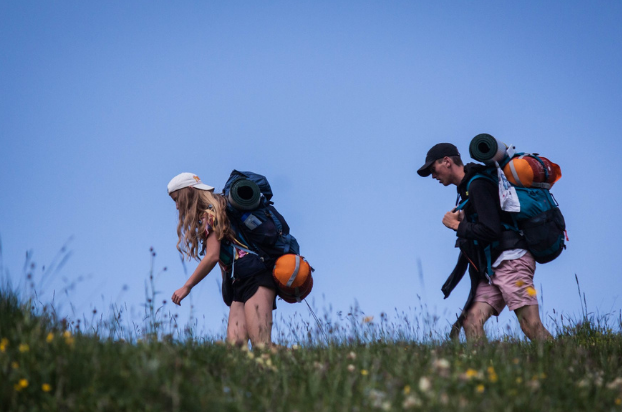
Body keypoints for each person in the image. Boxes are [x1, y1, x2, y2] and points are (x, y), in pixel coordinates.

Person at [418, 143, 552, 342]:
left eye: (433, 169)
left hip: (512, 261)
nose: (433, 175)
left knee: (530, 325)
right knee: (471, 321)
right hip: (494, 267)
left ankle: (571, 363)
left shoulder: (477, 185)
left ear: (446, 161)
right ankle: (483, 370)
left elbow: (491, 230)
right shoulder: (467, 189)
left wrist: (457, 227)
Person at [167, 172, 278, 346]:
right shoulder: (219, 207)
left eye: (176, 199)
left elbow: (212, 256)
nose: (176, 206)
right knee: (235, 349)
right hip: (240, 282)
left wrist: (187, 286)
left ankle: (301, 363)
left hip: (256, 277)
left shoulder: (211, 213)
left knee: (261, 346)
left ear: (188, 191)